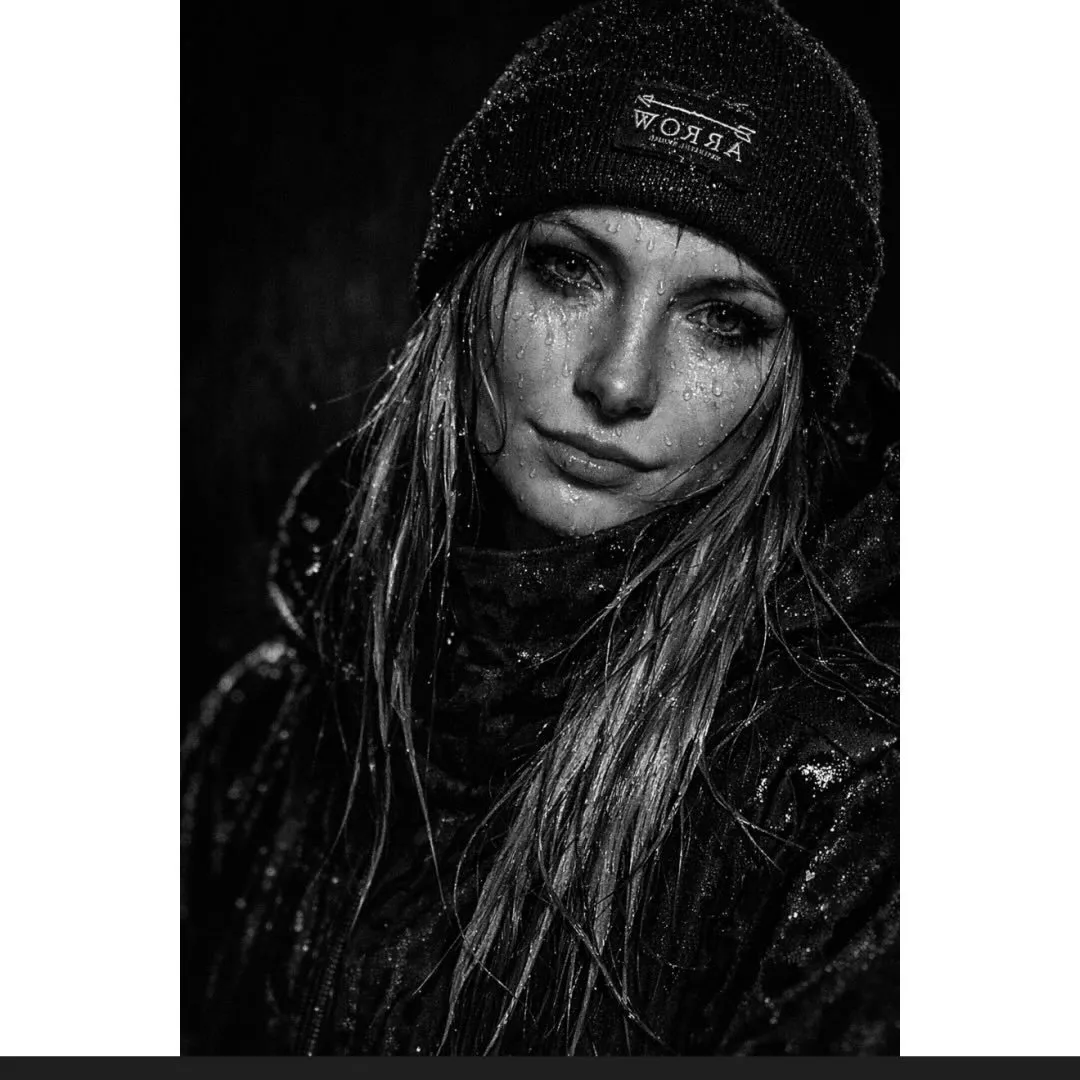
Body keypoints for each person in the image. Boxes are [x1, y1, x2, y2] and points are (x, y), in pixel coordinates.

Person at [182, 0, 898, 1055]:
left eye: (724, 320)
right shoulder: (261, 733)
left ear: (793, 391)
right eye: (570, 269)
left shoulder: (853, 810)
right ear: (467, 286)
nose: (619, 379)